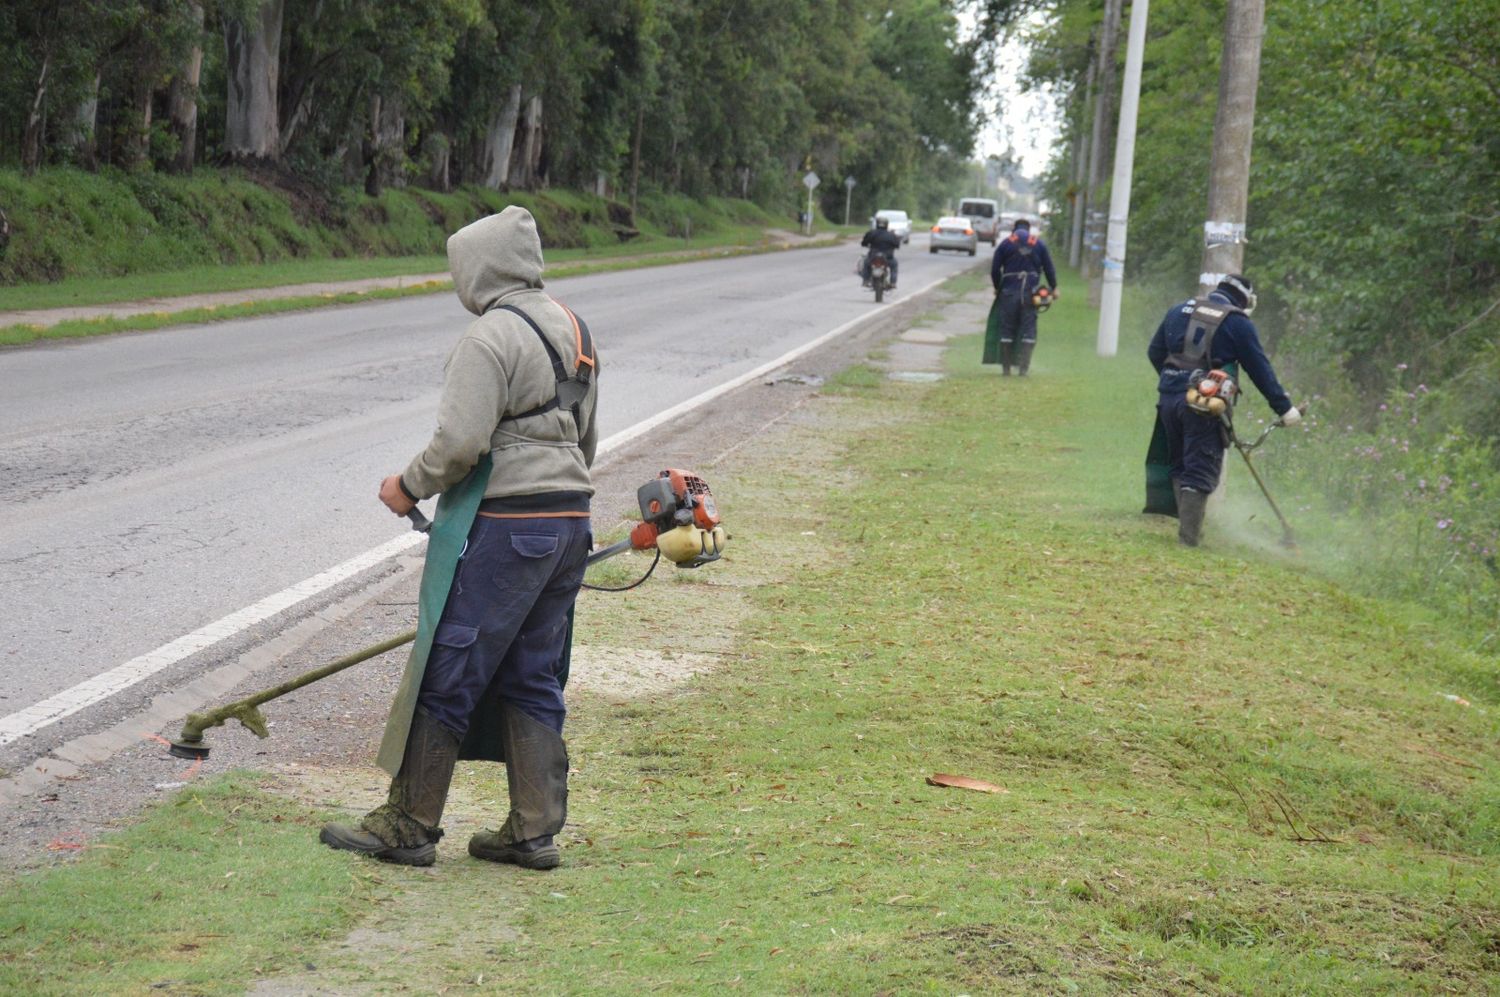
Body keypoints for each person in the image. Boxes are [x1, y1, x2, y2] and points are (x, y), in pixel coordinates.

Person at [320, 205, 599, 870]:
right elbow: (585, 439)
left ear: (478, 269)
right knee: (533, 672)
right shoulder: (575, 328)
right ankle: (533, 830)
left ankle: (408, 820)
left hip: (508, 524)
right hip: (569, 520)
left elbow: (461, 443)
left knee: (450, 661)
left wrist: (408, 487)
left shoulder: (489, 338)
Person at [1146, 273, 1300, 546]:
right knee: (1200, 467)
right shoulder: (1237, 322)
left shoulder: (1179, 309)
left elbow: (1155, 351)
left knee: (1181, 462)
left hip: (1168, 398)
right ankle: (1189, 539)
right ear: (1245, 299)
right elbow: (1259, 369)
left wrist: (1175, 382)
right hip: (1204, 406)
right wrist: (1284, 409)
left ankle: (1188, 531)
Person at [983, 218, 1058, 375]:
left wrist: (998, 287)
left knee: (1007, 328)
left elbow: (995, 270)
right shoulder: (1039, 244)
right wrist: (1054, 287)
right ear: (1028, 229)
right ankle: (1023, 370)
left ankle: (1006, 369)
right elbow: (1049, 268)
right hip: (1031, 294)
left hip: (1009, 292)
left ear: (1014, 229)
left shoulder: (1005, 244)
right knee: (1029, 328)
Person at [860, 216, 901, 287]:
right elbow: (897, 245)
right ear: (887, 224)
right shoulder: (891, 235)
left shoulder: (871, 233)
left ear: (877, 224)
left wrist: (866, 244)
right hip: (888, 258)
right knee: (894, 265)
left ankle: (866, 280)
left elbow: (864, 243)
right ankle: (893, 282)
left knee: (866, 264)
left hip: (873, 256)